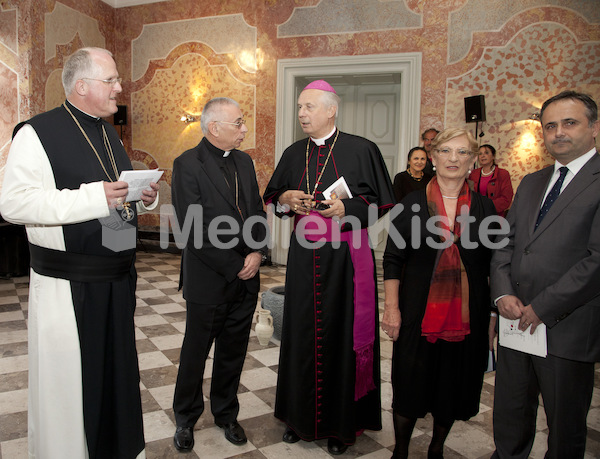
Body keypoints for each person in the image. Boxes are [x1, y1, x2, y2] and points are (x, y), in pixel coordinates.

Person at [0, 47, 159, 458]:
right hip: (68, 285)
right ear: (82, 85)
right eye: (112, 80)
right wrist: (94, 199)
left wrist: (143, 195)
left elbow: (115, 195)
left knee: (113, 376)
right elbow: (13, 204)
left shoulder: (108, 132)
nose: (120, 88)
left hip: (115, 277)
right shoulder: (35, 133)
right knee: (71, 384)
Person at [263, 79, 395, 455]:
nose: (302, 113)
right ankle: (298, 418)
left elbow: (381, 204)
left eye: (308, 107)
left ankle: (342, 424)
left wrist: (346, 208)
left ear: (330, 110)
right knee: (301, 333)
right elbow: (275, 198)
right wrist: (288, 198)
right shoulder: (294, 152)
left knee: (342, 333)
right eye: (300, 108)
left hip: (346, 261)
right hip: (304, 259)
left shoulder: (361, 149)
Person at [490, 91, 600, 458]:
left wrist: (544, 307)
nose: (558, 133)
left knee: (564, 426)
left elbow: (597, 260)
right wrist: (502, 293)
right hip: (515, 321)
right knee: (510, 414)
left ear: (594, 127)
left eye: (570, 123)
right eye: (550, 125)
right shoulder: (532, 182)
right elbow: (505, 243)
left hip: (566, 327)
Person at [382, 128, 497, 459]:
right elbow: (393, 258)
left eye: (462, 153)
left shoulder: (485, 208)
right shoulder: (412, 204)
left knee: (453, 383)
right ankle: (400, 450)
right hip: (417, 310)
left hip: (467, 315)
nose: (453, 159)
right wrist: (391, 309)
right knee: (409, 382)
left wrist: (490, 317)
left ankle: (436, 448)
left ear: (473, 161)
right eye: (446, 151)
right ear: (432, 158)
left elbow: (492, 266)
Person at [171, 97, 267, 452]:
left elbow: (256, 210)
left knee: (233, 351)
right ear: (214, 128)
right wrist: (234, 264)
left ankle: (226, 413)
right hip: (209, 278)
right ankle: (185, 417)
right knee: (196, 352)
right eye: (238, 123)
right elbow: (191, 228)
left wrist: (257, 252)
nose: (244, 130)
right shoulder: (187, 164)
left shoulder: (244, 161)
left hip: (248, 274)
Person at [468, 144, 513, 216]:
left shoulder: (503, 174)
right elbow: (468, 195)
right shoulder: (473, 174)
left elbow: (506, 199)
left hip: (495, 216)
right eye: (480, 154)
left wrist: (486, 206)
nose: (482, 156)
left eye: (486, 153)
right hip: (476, 215)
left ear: (493, 156)